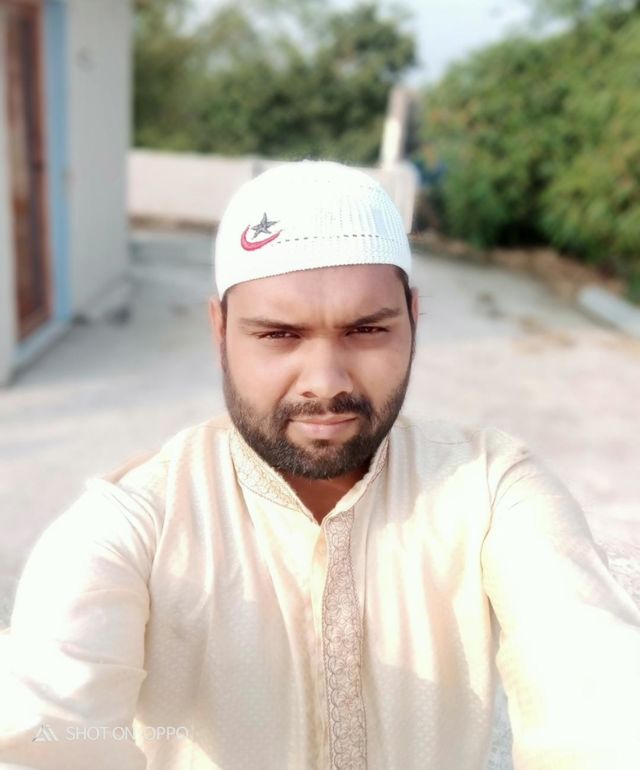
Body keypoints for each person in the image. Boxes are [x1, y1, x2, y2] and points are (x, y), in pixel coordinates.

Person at [0, 161, 638, 770]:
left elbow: (595, 685)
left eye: (367, 331)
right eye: (279, 335)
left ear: (414, 320)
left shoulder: (492, 489)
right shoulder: (137, 523)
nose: (326, 381)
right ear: (220, 330)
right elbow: (43, 727)